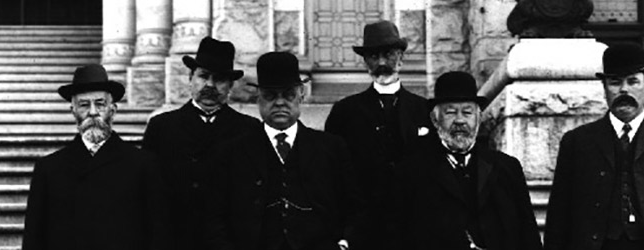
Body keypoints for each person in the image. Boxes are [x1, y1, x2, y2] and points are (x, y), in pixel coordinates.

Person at [543, 44, 644, 250]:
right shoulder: (577, 142)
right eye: (615, 82)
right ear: (604, 89)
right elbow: (558, 216)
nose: (624, 89)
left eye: (632, 81)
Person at [206, 52, 362, 250]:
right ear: (258, 99)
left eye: (288, 94)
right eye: (270, 96)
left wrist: (344, 243)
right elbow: (214, 217)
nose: (280, 103)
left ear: (301, 95)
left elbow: (354, 208)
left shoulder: (331, 148)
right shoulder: (233, 151)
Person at [22, 64, 170, 250]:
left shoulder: (142, 164)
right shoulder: (49, 168)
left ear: (112, 110)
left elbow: (158, 236)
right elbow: (33, 240)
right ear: (73, 111)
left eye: (100, 104)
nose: (93, 112)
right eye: (84, 105)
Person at [391, 71, 542, 250]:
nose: (460, 120)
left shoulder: (507, 168)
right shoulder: (410, 172)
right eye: (451, 112)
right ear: (435, 119)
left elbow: (529, 235)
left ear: (478, 118)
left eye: (467, 112)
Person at [141, 36, 261, 250]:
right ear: (191, 77)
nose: (210, 85)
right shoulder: (162, 127)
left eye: (220, 79)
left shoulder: (248, 129)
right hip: (176, 240)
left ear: (230, 85)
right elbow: (149, 194)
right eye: (203, 76)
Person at [323, 20, 432, 249]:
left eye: (389, 54)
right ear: (365, 62)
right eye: (373, 56)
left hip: (414, 228)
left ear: (401, 57)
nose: (382, 63)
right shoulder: (345, 112)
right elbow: (332, 176)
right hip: (364, 231)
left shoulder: (424, 111)